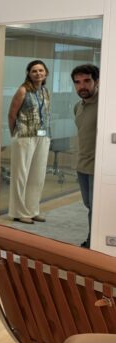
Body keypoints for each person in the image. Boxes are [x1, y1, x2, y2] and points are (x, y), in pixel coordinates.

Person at [8, 59, 52, 225]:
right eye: (34, 71)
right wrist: (15, 134)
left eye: (41, 70)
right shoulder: (23, 90)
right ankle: (19, 212)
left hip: (42, 136)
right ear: (28, 73)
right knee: (21, 175)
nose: (38, 73)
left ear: (46, 73)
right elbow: (12, 115)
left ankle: (33, 210)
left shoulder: (45, 91)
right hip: (25, 136)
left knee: (37, 175)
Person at [71, 64, 99, 248]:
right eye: (78, 82)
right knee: (90, 206)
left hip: (98, 167)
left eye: (87, 81)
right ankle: (93, 239)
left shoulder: (106, 106)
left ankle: (94, 242)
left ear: (96, 81)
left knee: (98, 208)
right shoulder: (78, 107)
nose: (82, 86)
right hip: (82, 165)